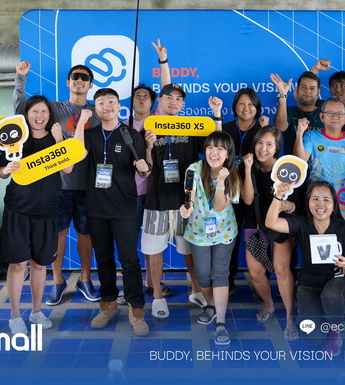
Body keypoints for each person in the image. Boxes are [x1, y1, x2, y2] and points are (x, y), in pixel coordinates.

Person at [15, 60, 101, 305]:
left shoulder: (97, 111)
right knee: (58, 234)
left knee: (86, 234)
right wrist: (20, 78)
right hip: (58, 184)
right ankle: (57, 281)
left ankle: (85, 279)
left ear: (91, 85)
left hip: (89, 184)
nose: (79, 80)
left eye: (84, 78)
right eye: (75, 77)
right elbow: (21, 110)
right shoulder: (53, 108)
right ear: (68, 82)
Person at [74, 90, 151, 336]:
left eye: (111, 102)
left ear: (119, 107)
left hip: (125, 208)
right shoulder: (89, 135)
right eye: (100, 102)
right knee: (104, 258)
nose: (106, 106)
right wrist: (82, 123)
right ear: (95, 108)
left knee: (129, 260)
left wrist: (145, 167)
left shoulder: (132, 135)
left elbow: (144, 172)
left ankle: (136, 308)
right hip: (96, 208)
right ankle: (107, 304)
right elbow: (76, 154)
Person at [0, 94, 72, 334]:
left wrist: (59, 140)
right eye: (34, 111)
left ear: (50, 115)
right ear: (26, 115)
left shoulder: (57, 137)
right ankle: (15, 315)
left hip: (47, 210)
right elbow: (0, 171)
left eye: (44, 111)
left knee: (40, 264)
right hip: (18, 209)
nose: (39, 116)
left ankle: (37, 312)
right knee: (18, 264)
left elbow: (68, 168)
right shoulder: (15, 137)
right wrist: (6, 169)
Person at [265, 180, 345, 356]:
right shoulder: (301, 223)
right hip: (309, 285)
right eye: (315, 199)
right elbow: (271, 223)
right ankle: (324, 314)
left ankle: (334, 329)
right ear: (308, 202)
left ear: (333, 205)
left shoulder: (344, 228)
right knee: (311, 337)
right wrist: (278, 196)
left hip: (338, 283)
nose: (320, 204)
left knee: (331, 295)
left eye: (326, 200)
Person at [141, 84, 211, 317]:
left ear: (183, 104)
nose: (174, 101)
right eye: (169, 97)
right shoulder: (149, 126)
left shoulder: (192, 127)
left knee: (190, 248)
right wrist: (148, 146)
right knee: (154, 250)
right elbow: (145, 169)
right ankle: (157, 296)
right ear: (160, 101)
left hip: (186, 201)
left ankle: (197, 290)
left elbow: (214, 149)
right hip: (157, 200)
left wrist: (217, 116)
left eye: (179, 98)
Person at [179, 131, 242, 347]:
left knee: (220, 274)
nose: (214, 153)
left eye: (220, 149)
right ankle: (211, 305)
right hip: (198, 232)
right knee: (203, 276)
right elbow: (189, 197)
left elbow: (219, 205)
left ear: (228, 153)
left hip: (224, 232)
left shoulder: (233, 175)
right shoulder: (194, 169)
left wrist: (222, 180)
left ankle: (221, 322)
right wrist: (186, 208)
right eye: (210, 147)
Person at [240, 126, 300, 340]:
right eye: (259, 143)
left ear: (277, 148)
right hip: (255, 222)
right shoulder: (247, 166)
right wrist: (248, 169)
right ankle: (268, 304)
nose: (263, 148)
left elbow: (295, 205)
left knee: (281, 269)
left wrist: (286, 205)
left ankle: (291, 317)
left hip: (281, 223)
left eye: (269, 144)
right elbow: (247, 200)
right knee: (256, 272)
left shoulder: (286, 168)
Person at [221, 87, 269, 295]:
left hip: (255, 193)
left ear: (257, 108)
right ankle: (228, 279)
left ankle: (261, 282)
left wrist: (265, 130)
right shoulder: (225, 128)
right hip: (229, 191)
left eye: (251, 104)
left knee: (258, 238)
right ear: (235, 107)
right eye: (242, 103)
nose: (246, 108)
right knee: (228, 238)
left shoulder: (262, 130)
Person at [294, 97, 345, 225]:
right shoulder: (311, 136)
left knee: (343, 237)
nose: (335, 117)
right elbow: (300, 161)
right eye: (330, 113)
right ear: (321, 117)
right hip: (316, 204)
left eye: (339, 113)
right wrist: (299, 133)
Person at [272, 70, 324, 152]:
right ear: (297, 89)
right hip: (292, 160)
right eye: (304, 87)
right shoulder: (289, 111)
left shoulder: (325, 114)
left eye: (312, 88)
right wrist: (283, 93)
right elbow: (280, 127)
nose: (308, 91)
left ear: (318, 92)